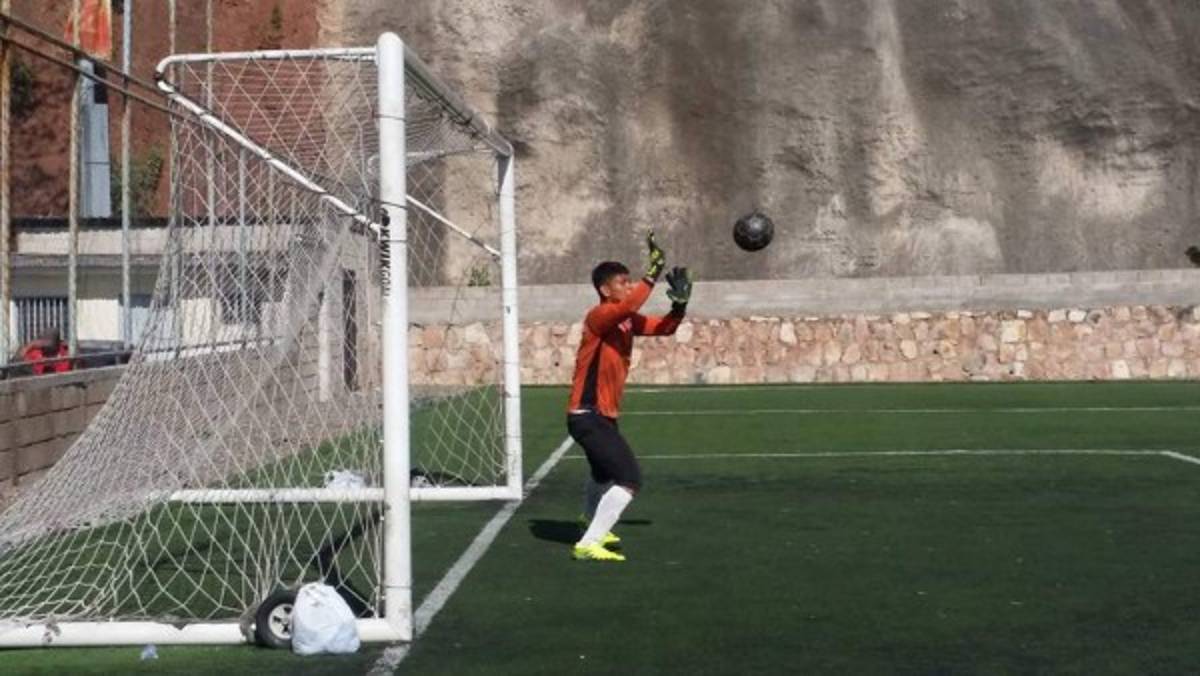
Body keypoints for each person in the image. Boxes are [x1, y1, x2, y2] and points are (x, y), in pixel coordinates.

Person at [566, 232, 693, 562]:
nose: (627, 286)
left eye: (629, 281)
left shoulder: (623, 321)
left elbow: (664, 327)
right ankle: (588, 542)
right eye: (622, 282)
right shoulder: (599, 316)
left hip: (601, 416)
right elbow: (630, 303)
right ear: (605, 290)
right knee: (629, 479)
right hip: (587, 414)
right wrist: (651, 274)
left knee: (602, 475)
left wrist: (679, 305)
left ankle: (589, 519)